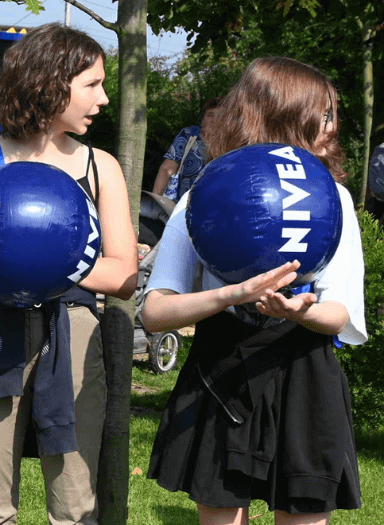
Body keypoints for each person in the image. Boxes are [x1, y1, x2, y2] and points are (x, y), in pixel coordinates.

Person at [141, 56, 366, 525]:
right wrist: (229, 294)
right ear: (284, 114)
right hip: (222, 370)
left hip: (304, 370)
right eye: (323, 112)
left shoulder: (334, 198)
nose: (334, 124)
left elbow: (339, 313)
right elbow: (156, 311)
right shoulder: (206, 192)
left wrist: (300, 312)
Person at [0, 23, 138, 525]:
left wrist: (53, 258)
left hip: (75, 338)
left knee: (74, 507)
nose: (104, 98)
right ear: (49, 83)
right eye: (92, 84)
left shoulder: (99, 166)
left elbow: (124, 275)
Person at [151, 97, 222, 200]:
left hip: (215, 206)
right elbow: (166, 169)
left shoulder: (231, 143)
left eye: (220, 116)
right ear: (202, 119)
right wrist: (156, 202)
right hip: (183, 208)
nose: (214, 120)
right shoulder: (188, 135)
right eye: (210, 115)